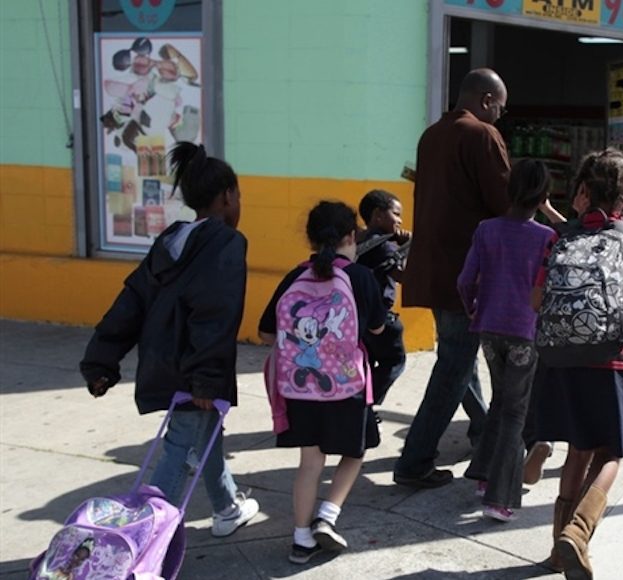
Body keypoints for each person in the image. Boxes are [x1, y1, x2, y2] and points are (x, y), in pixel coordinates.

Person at [80, 141, 259, 538]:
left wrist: (100, 361)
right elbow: (215, 312)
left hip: (165, 362)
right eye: (238, 195)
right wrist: (206, 378)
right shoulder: (226, 243)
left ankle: (227, 507)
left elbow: (130, 302)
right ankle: (140, 543)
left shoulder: (172, 240)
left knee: (204, 430)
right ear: (228, 196)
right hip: (193, 368)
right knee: (180, 449)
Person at [534, 149, 623, 578]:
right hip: (615, 360)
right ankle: (579, 530)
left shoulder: (559, 237)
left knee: (577, 449)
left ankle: (558, 547)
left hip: (564, 360)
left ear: (585, 189)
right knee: (611, 451)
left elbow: (537, 300)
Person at [395, 68, 511, 489]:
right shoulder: (482, 135)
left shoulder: (432, 135)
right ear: (485, 99)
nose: (500, 114)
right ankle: (415, 460)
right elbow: (506, 205)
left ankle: (482, 431)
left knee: (459, 357)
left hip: (433, 266)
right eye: (499, 105)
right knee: (455, 365)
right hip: (467, 271)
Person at [258, 201, 386, 564]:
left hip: (300, 388)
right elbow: (377, 327)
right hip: (347, 386)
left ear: (311, 239)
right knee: (355, 451)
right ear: (351, 237)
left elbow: (266, 332)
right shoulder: (360, 277)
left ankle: (300, 540)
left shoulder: (293, 276)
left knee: (310, 463)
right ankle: (327, 515)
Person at [458, 159, 558, 522]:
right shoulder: (547, 237)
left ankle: (483, 474)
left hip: (488, 327)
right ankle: (501, 497)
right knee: (515, 410)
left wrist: (472, 308)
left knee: (502, 401)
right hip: (525, 332)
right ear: (543, 195)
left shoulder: (486, 229)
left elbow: (466, 280)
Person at [356, 189, 410, 405]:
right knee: (394, 360)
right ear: (378, 214)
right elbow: (403, 276)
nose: (400, 220)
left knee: (367, 361)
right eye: (396, 214)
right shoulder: (384, 245)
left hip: (362, 316)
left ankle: (358, 401)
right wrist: (410, 247)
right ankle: (366, 402)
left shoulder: (362, 239)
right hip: (382, 318)